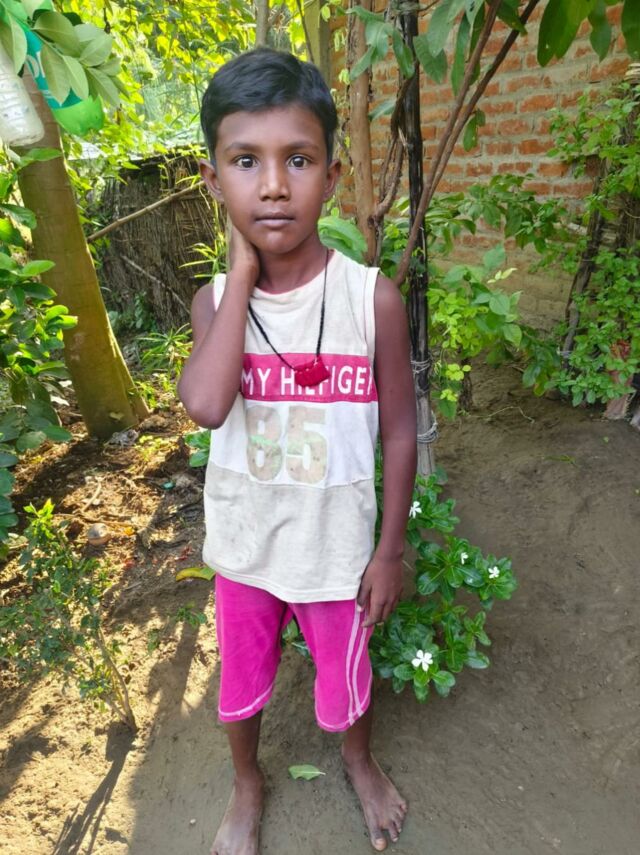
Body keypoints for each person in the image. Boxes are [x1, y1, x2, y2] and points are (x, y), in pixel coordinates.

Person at [178, 47, 417, 855]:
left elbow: (399, 429)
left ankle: (357, 758)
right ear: (214, 181)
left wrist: (389, 549)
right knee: (241, 683)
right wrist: (241, 275)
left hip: (335, 551)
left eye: (299, 160)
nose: (274, 185)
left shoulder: (370, 300)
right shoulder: (215, 301)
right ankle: (247, 781)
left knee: (348, 681)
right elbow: (207, 404)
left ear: (333, 175)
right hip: (247, 548)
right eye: (246, 161)